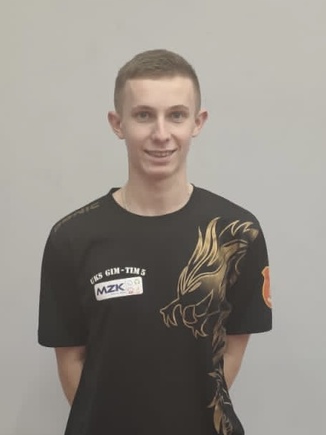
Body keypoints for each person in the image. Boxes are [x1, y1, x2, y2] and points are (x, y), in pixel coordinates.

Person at [38, 49, 272, 435]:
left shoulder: (237, 232)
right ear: (118, 123)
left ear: (197, 122)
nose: (161, 134)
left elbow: (230, 350)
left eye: (176, 115)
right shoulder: (73, 238)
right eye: (144, 115)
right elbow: (71, 360)